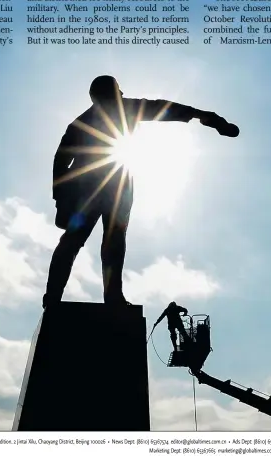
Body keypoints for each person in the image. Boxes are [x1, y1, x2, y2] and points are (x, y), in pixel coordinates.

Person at [43, 75, 239, 309]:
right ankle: (57, 296)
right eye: (118, 91)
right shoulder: (89, 120)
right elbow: (61, 161)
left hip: (116, 182)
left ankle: (109, 296)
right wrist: (61, 201)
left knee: (109, 240)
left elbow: (163, 108)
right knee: (78, 241)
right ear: (106, 95)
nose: (122, 94)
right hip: (92, 187)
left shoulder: (119, 110)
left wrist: (203, 116)